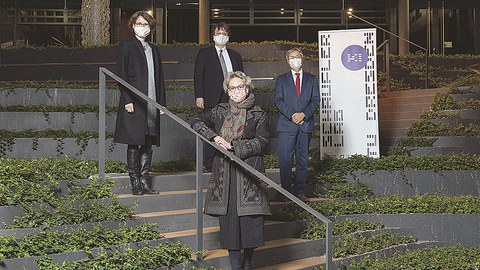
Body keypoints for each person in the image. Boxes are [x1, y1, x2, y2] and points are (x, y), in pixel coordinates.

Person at [191, 71, 270, 270]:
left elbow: (262, 141)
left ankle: (248, 264)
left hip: (249, 170)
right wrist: (214, 137)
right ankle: (235, 266)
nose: (237, 92)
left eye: (241, 87)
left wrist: (236, 147)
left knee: (251, 219)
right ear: (227, 90)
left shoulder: (258, 113)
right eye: (233, 88)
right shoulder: (218, 110)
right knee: (229, 221)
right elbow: (195, 120)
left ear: (247, 88)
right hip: (224, 172)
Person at [114, 10, 166, 195]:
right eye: (139, 24)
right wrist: (127, 100)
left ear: (150, 28)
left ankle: (145, 182)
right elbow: (121, 75)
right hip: (134, 101)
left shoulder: (154, 49)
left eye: (145, 24)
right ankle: (135, 182)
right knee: (134, 141)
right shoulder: (126, 46)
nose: (142, 27)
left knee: (148, 142)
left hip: (152, 101)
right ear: (133, 25)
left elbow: (159, 78)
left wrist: (161, 104)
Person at [194, 22, 244, 171]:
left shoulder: (235, 56)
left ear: (228, 36)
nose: (221, 36)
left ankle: (228, 159)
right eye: (218, 33)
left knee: (231, 129)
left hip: (231, 98)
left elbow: (241, 77)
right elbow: (198, 75)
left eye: (224, 33)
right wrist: (199, 96)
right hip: (210, 98)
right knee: (211, 129)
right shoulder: (204, 53)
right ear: (213, 35)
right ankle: (210, 163)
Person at [274, 48, 320, 203]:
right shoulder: (281, 79)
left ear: (303, 58)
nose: (295, 59)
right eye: (292, 57)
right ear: (287, 61)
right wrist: (293, 115)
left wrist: (304, 115)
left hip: (305, 125)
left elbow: (315, 100)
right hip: (287, 125)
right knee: (286, 159)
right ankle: (286, 191)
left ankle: (299, 191)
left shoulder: (312, 79)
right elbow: (278, 100)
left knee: (302, 159)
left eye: (297, 57)